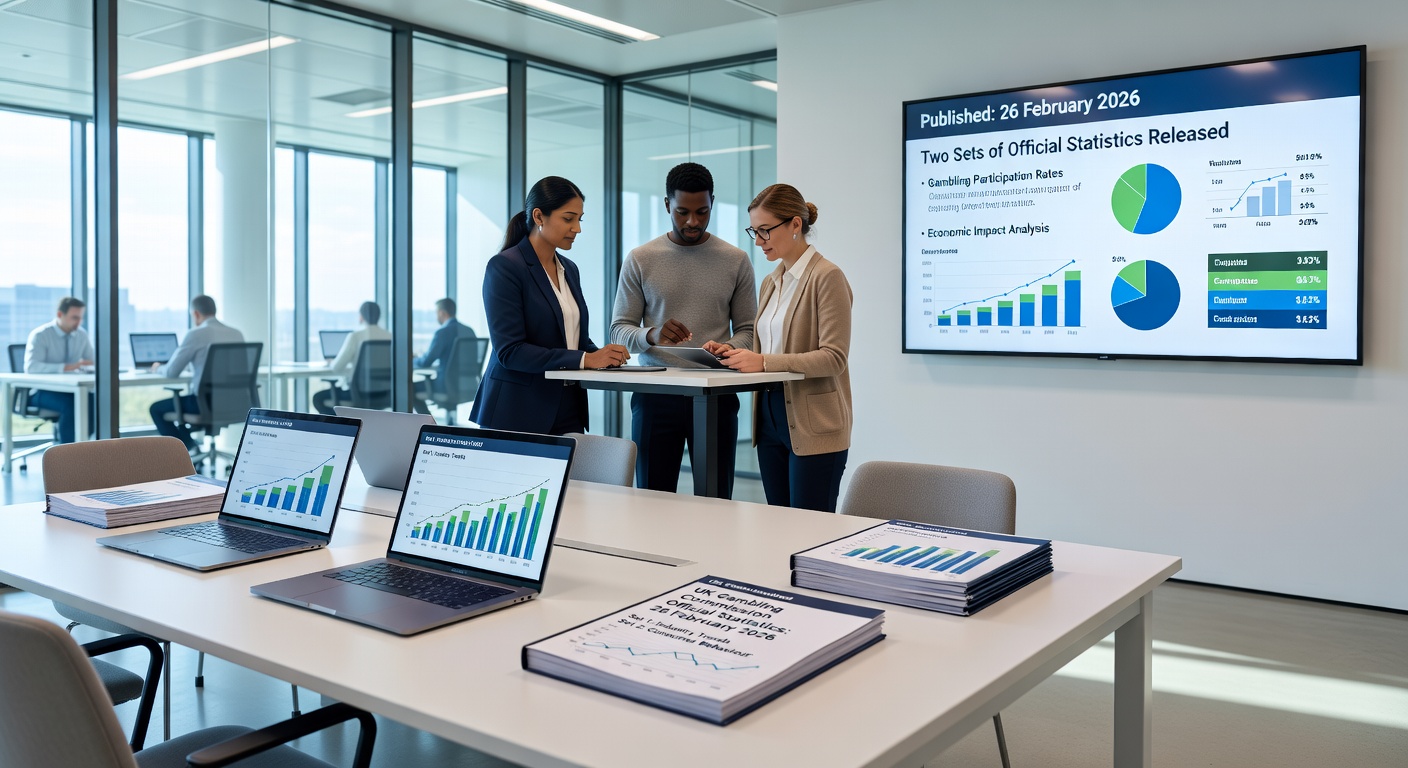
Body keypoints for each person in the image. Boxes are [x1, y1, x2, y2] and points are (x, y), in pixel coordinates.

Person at [611, 162, 757, 497]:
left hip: (716, 393)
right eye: (682, 212)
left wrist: (728, 348)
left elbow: (748, 329)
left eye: (702, 212)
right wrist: (652, 334)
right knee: (652, 499)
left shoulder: (735, 260)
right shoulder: (640, 259)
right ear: (667, 205)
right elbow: (619, 329)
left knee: (717, 500)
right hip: (656, 394)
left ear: (712, 204)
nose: (692, 221)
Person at [721, 184, 853, 513]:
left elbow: (834, 358)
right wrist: (729, 351)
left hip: (814, 422)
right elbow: (767, 343)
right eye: (754, 230)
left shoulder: (828, 277)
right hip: (769, 418)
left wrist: (763, 362)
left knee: (810, 534)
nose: (758, 240)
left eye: (765, 230)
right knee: (778, 529)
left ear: (795, 224)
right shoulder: (771, 281)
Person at [470, 176, 630, 435]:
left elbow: (572, 340)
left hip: (568, 407)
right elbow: (510, 351)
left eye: (580, 219)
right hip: (517, 412)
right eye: (568, 219)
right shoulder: (505, 267)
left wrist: (603, 356)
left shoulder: (570, 269)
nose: (577, 228)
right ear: (539, 216)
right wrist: (586, 359)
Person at [148, 295, 244, 451]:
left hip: (204, 404)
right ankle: (191, 447)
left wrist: (156, 368)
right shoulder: (236, 333)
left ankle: (185, 451)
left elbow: (172, 372)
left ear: (196, 314)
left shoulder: (196, 334)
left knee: (156, 409)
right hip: (234, 402)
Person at [22, 297, 96, 444]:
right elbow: (32, 367)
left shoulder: (81, 335)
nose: (78, 322)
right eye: (74, 317)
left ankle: (83, 447)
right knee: (71, 404)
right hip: (41, 392)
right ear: (60, 315)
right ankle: (66, 455)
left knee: (93, 401)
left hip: (71, 389)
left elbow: (92, 361)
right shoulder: (41, 335)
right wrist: (65, 367)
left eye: (81, 318)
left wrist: (88, 365)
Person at [313, 301, 392, 414]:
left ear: (361, 317)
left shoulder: (356, 336)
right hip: (384, 394)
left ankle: (340, 430)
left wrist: (332, 362)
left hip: (358, 394)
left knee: (318, 398)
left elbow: (337, 367)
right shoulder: (390, 336)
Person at [413, 297, 478, 407]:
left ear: (442, 313)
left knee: (410, 388)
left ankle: (428, 422)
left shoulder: (442, 332)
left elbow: (426, 362)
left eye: (436, 313)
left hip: (446, 386)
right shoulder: (469, 331)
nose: (436, 316)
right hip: (469, 385)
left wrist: (413, 359)